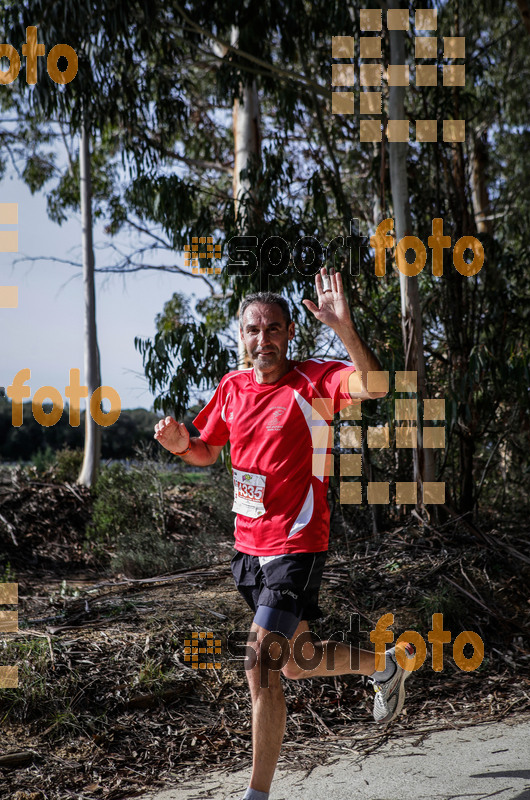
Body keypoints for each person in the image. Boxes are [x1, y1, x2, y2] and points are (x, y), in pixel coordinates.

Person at [154, 267, 415, 800]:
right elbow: (206, 451)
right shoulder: (232, 387)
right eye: (253, 329)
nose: (262, 339)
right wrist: (182, 444)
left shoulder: (315, 383)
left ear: (290, 333)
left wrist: (343, 327)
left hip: (297, 544)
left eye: (273, 328)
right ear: (241, 335)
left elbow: (376, 387)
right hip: (247, 549)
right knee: (296, 662)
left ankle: (257, 795)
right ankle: (384, 665)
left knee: (261, 662)